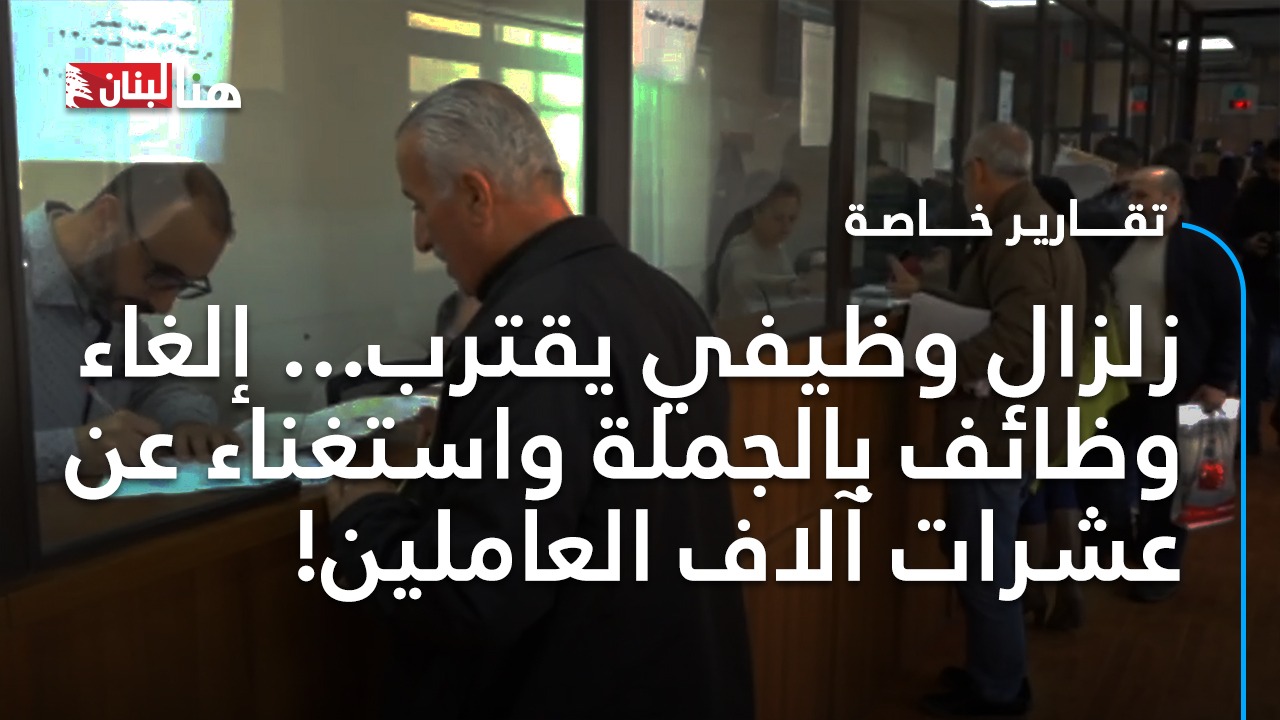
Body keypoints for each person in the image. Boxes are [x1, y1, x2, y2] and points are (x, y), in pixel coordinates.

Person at [325, 79, 754, 720]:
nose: (421, 238)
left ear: (476, 196)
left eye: (420, 206)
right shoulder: (663, 298)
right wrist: (466, 439)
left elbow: (478, 593)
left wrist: (365, 517)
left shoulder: (525, 335)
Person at [914, 123, 1087, 717]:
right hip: (1019, 421)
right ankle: (993, 674)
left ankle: (999, 692)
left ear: (979, 170)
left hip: (998, 427)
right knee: (984, 556)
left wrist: (942, 363)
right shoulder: (1037, 222)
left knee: (985, 564)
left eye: (966, 173)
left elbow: (1018, 334)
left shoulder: (1018, 233)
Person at [22, 162, 239, 481]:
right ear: (106, 219)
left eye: (183, 286)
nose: (164, 306)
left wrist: (187, 422)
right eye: (161, 275)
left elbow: (152, 385)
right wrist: (72, 450)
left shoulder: (108, 293)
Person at [1107, 166, 1240, 603]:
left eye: (1143, 196)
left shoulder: (1202, 248)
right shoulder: (1119, 242)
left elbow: (1234, 317)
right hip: (1120, 381)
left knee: (1164, 482)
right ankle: (1123, 546)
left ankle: (1159, 568)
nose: (1134, 205)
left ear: (1173, 200)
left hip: (1177, 383)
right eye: (1131, 196)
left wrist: (1219, 379)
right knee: (1107, 469)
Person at [710, 178, 818, 320]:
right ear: (756, 213)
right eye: (778, 218)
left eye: (792, 219)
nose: (787, 228)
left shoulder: (777, 247)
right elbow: (745, 282)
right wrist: (791, 284)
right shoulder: (740, 250)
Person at [1231, 139, 1280, 449]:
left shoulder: (1254, 193)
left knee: (1254, 359)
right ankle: (1248, 435)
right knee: (1252, 361)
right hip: (1259, 284)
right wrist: (1247, 244)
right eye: (1273, 171)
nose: (1277, 178)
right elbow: (1232, 230)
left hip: (1258, 282)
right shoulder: (1254, 194)